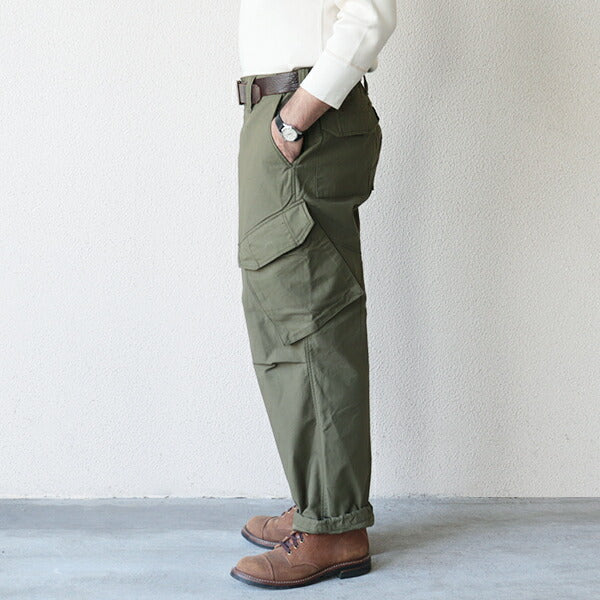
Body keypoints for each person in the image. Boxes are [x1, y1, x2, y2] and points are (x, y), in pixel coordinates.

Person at [231, 0, 397, 589]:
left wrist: (295, 118)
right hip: (281, 112)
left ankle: (334, 527)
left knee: (311, 321)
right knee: (282, 317)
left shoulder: (298, 119)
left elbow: (371, 15)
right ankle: (316, 505)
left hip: (305, 116)